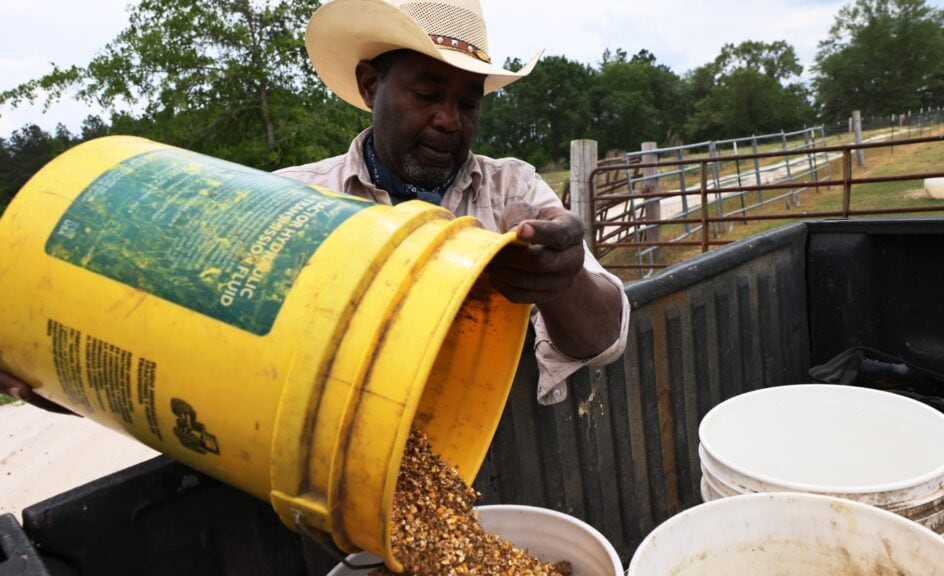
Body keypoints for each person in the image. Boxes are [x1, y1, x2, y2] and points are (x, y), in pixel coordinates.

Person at [1, 0, 629, 407]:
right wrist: (55, 379)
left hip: (501, 450)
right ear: (369, 85)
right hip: (338, 475)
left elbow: (605, 339)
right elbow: (190, 347)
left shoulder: (512, 192)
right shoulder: (295, 200)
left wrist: (562, 276)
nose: (448, 119)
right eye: (427, 91)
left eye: (468, 103)